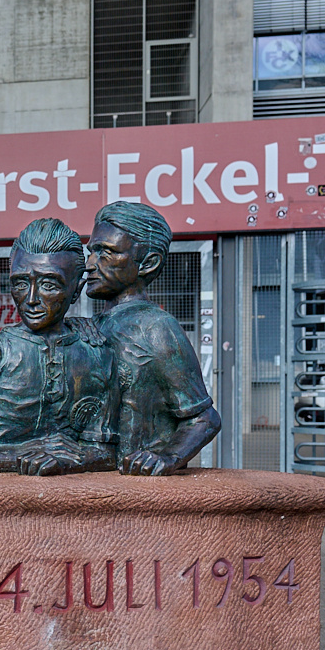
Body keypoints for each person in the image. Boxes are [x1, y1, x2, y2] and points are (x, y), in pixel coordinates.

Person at [0, 218, 117, 475]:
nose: (32, 299)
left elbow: (107, 452)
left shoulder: (99, 356)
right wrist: (25, 452)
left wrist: (68, 462)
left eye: (49, 284)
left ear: (75, 290)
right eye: (21, 283)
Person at [84, 200, 221, 476]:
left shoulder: (157, 327)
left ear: (148, 263)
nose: (89, 265)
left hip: (135, 489)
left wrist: (167, 457)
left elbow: (204, 418)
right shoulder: (92, 325)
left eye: (106, 253)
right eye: (91, 252)